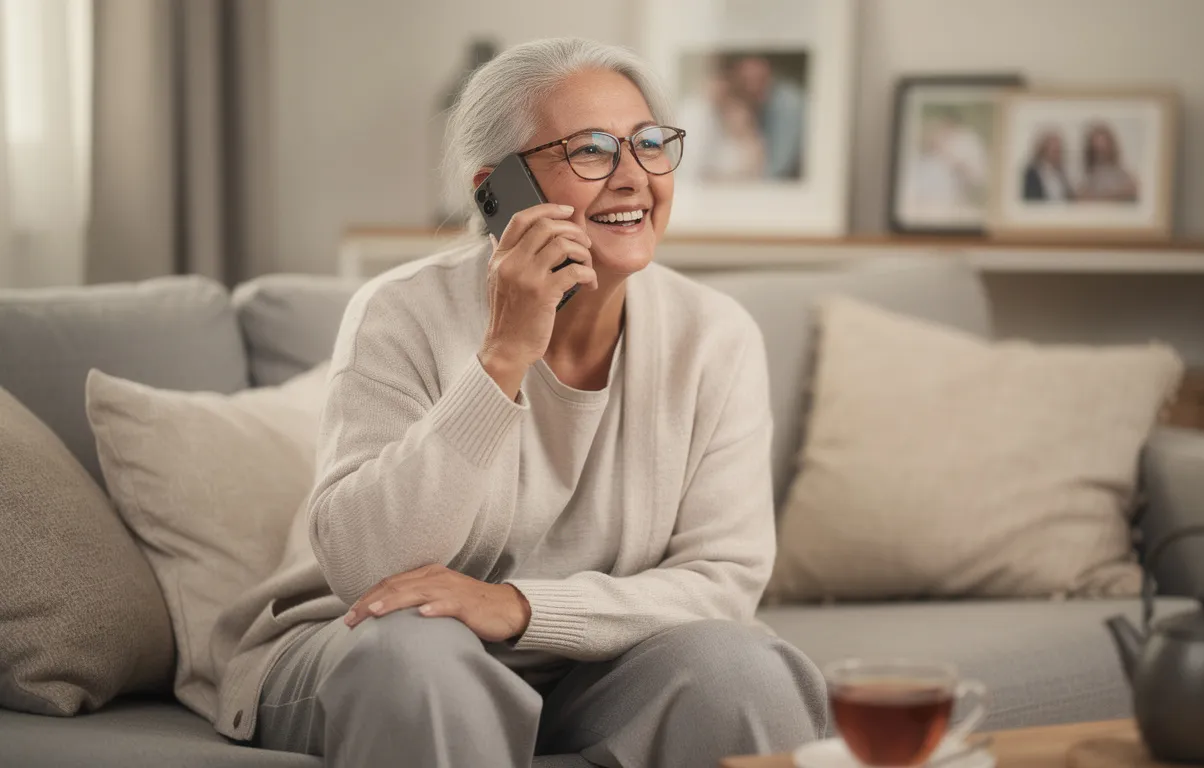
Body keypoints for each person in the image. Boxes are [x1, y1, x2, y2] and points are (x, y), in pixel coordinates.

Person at [210, 37, 828, 767]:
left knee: (743, 672)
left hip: (590, 666)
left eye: (649, 144)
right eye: (592, 152)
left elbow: (723, 584)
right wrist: (503, 354)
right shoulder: (399, 313)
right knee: (422, 658)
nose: (633, 178)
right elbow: (369, 569)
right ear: (497, 190)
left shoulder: (715, 336)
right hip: (369, 642)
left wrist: (521, 609)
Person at [727, 55, 806, 179]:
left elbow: (780, 166)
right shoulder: (752, 105)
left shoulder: (788, 104)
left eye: (757, 80)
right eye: (746, 82)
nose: (751, 87)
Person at [1076, 122, 1139, 203]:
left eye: (1103, 146)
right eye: (1097, 147)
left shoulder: (1121, 173)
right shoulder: (1088, 176)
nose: (1100, 149)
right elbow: (1081, 197)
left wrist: (1101, 197)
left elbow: (1132, 190)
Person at [1021, 128, 1073, 202]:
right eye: (1054, 150)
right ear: (1044, 149)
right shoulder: (1033, 172)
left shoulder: (1061, 172)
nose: (1057, 153)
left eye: (1059, 150)